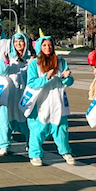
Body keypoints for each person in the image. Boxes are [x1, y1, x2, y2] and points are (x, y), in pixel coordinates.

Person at [25, 30, 75, 167]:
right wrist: (46, 77)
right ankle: (35, 154)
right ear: (39, 47)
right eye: (44, 45)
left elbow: (70, 82)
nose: (48, 48)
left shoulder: (61, 61)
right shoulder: (35, 64)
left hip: (58, 100)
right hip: (41, 102)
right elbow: (31, 83)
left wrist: (66, 78)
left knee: (62, 128)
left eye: (50, 45)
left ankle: (65, 151)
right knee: (38, 129)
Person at [0, 28, 30, 156]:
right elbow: (1, 72)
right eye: (16, 42)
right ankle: (4, 144)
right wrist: (6, 62)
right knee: (5, 120)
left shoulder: (30, 60)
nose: (19, 44)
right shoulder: (8, 57)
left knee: (27, 120)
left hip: (24, 95)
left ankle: (30, 143)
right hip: (9, 95)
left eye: (21, 42)